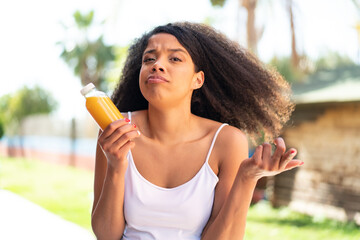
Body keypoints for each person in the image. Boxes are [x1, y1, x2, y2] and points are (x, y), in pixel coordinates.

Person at [91, 22, 303, 240]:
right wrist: (116, 166)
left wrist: (247, 178)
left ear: (197, 79)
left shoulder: (226, 141)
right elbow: (106, 235)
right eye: (149, 59)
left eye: (174, 58)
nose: (157, 65)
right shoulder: (116, 131)